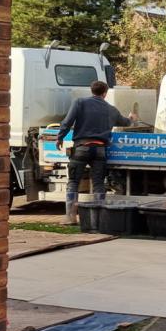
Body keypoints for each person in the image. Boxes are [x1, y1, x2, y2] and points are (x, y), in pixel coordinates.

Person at [56, 80, 135, 224]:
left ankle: (70, 217)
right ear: (105, 93)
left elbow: (67, 122)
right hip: (100, 150)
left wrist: (60, 137)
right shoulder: (111, 109)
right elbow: (125, 122)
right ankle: (99, 218)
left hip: (81, 148)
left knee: (73, 181)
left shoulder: (79, 103)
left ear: (91, 91)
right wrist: (131, 118)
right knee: (98, 183)